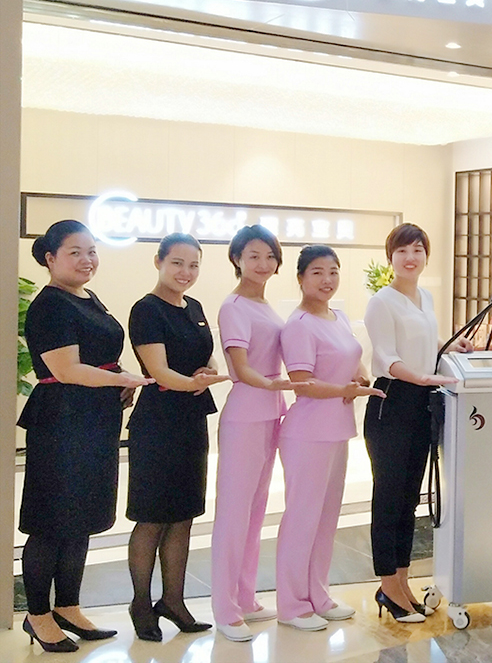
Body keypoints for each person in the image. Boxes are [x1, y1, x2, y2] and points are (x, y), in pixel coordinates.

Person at [19, 220, 151, 653]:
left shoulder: (88, 298)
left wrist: (119, 378)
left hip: (95, 420)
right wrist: (122, 379)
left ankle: (68, 606)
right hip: (61, 423)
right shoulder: (50, 305)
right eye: (75, 252)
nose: (86, 260)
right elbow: (66, 369)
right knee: (51, 521)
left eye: (91, 251)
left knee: (81, 518)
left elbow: (99, 358)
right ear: (50, 257)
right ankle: (38, 615)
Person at [363, 223, 469, 622]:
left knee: (410, 498)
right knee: (388, 497)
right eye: (402, 251)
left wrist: (449, 348)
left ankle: (402, 582)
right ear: (390, 257)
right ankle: (387, 585)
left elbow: (425, 345)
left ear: (426, 255)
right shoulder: (381, 302)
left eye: (418, 250)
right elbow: (387, 358)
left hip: (422, 401)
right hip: (391, 401)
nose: (411, 257)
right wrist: (422, 377)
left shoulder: (425, 297)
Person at [277, 245, 384, 631]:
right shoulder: (299, 324)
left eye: (333, 272)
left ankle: (318, 595)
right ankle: (291, 605)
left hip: (337, 430)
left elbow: (350, 359)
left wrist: (358, 375)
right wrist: (346, 389)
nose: (327, 280)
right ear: (300, 278)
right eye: (318, 272)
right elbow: (302, 383)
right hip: (307, 433)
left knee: (325, 520)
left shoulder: (337, 317)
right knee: (302, 519)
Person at [127, 233, 228, 641]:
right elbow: (160, 372)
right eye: (177, 263)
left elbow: (207, 356)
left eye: (193, 265)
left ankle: (173, 601)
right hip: (157, 422)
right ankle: (140, 604)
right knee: (152, 517)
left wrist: (208, 372)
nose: (186, 272)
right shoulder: (146, 310)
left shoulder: (195, 307)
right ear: (158, 262)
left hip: (190, 420)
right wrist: (197, 382)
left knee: (184, 514)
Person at [211, 225, 299, 642]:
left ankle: (245, 597)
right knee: (233, 514)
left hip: (270, 413)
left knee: (256, 511)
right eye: (253, 256)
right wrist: (279, 384)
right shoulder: (234, 307)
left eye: (269, 256)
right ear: (237, 259)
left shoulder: (265, 305)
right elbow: (241, 368)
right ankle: (224, 609)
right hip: (246, 414)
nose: (263, 264)